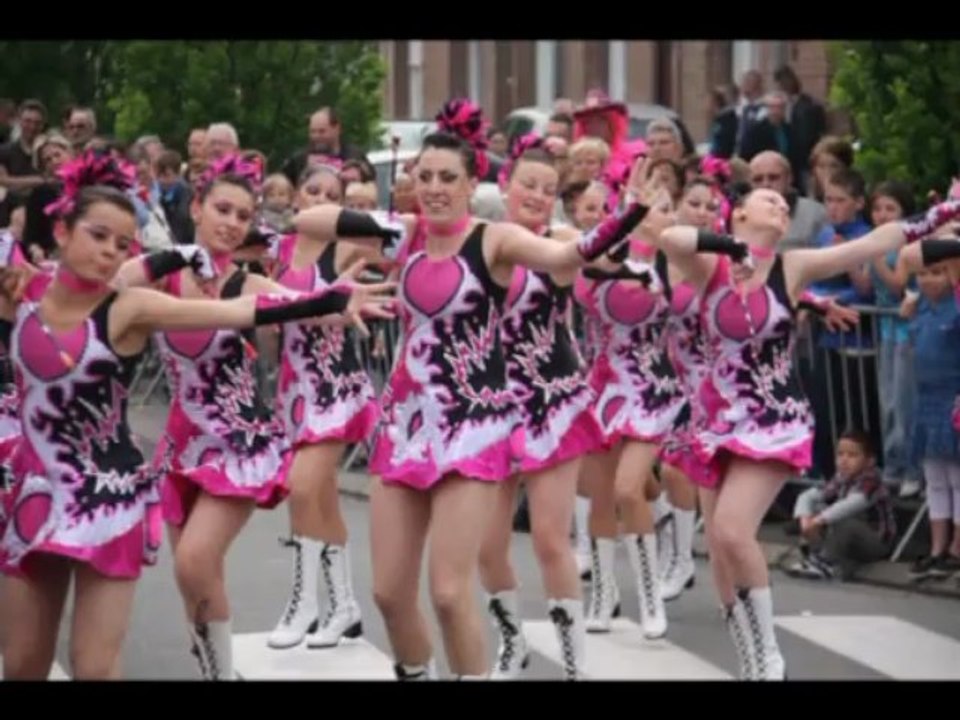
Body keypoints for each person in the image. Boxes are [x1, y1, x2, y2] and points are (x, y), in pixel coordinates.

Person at [292, 98, 654, 680]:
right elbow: (306, 222)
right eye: (425, 177)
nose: (434, 188)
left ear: (472, 183)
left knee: (449, 591)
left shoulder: (495, 240)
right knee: (388, 593)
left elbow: (568, 253)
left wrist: (629, 211)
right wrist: (363, 214)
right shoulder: (404, 235)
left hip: (474, 426)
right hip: (407, 426)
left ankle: (543, 664)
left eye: (448, 179)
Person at [0, 150, 392, 681]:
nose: (232, 224)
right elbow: (119, 274)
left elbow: (265, 306)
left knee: (194, 563)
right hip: (176, 444)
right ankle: (212, 666)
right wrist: (174, 255)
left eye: (243, 215)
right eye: (222, 210)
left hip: (235, 442)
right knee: (183, 586)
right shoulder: (137, 280)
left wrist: (336, 299)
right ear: (198, 210)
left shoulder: (239, 284)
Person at [655, 185, 960, 680]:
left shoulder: (791, 267)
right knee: (719, 543)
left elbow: (874, 241)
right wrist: (733, 248)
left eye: (784, 202)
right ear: (740, 215)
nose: (780, 205)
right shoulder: (710, 266)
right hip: (714, 421)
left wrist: (943, 212)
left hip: (772, 418)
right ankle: (751, 660)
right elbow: (671, 240)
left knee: (734, 528)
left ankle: (770, 655)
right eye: (766, 199)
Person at [475, 135, 605, 680]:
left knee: (551, 538)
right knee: (486, 545)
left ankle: (576, 662)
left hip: (551, 402)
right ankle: (512, 641)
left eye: (547, 189)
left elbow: (596, 250)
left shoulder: (561, 241)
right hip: (491, 405)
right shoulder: (478, 241)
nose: (536, 195)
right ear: (506, 187)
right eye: (527, 184)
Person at [263, 164, 381, 651]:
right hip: (294, 393)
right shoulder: (279, 251)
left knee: (303, 488)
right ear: (295, 197)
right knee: (321, 499)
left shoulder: (345, 248)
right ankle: (346, 607)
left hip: (337, 389)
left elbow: (389, 248)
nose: (321, 199)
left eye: (333, 195)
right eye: (313, 190)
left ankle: (305, 601)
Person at [787, 429, 896, 580]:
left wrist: (818, 520)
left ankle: (825, 562)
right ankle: (819, 557)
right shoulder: (842, 477)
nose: (844, 460)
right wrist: (805, 520)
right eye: (840, 454)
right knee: (817, 508)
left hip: (876, 541)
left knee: (842, 520)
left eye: (852, 455)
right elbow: (810, 496)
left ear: (869, 461)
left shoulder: (871, 480)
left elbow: (852, 505)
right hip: (850, 540)